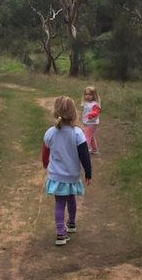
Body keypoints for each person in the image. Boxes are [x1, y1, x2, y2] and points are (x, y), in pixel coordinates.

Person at [42, 96, 92, 246]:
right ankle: (71, 224)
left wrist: (46, 165)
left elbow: (45, 153)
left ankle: (60, 233)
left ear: (55, 112)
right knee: (71, 199)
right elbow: (85, 156)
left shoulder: (50, 132)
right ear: (74, 113)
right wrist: (88, 173)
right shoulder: (77, 133)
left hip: (57, 176)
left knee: (59, 203)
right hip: (72, 175)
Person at [81, 86, 101, 155]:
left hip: (91, 123)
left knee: (87, 137)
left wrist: (92, 114)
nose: (88, 96)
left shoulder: (95, 104)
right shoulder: (87, 103)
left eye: (90, 94)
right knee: (91, 136)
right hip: (88, 123)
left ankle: (84, 151)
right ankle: (95, 150)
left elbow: (96, 111)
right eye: (86, 94)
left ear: (94, 95)